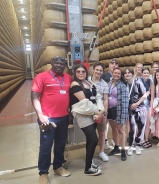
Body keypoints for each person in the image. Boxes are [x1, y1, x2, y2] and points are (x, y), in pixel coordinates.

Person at [31, 56, 72, 184]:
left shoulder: (68, 77)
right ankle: (43, 173)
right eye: (56, 62)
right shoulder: (41, 77)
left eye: (61, 63)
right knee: (46, 146)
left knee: (60, 144)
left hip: (63, 117)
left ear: (65, 65)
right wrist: (40, 114)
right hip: (47, 118)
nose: (59, 65)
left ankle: (58, 166)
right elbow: (34, 96)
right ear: (51, 64)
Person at [70, 64, 104, 175]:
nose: (81, 73)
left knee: (90, 140)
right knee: (94, 140)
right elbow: (85, 103)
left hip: (92, 112)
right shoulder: (75, 84)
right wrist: (98, 113)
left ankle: (89, 163)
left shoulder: (89, 83)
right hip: (82, 114)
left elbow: (98, 97)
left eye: (83, 71)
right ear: (75, 73)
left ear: (86, 72)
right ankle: (87, 168)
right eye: (78, 71)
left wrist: (101, 110)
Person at [88, 62, 109, 162]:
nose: (98, 72)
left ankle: (101, 152)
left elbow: (105, 99)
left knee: (102, 132)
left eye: (100, 70)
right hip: (88, 111)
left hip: (100, 111)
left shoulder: (104, 84)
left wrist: (105, 113)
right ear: (93, 70)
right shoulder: (86, 81)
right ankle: (90, 155)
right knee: (90, 134)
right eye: (97, 70)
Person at [107, 67, 129, 161]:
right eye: (115, 73)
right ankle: (116, 147)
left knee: (121, 131)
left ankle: (123, 150)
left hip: (118, 110)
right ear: (112, 73)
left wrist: (123, 115)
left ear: (121, 75)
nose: (116, 75)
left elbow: (125, 102)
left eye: (118, 73)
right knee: (114, 129)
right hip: (110, 109)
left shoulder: (122, 86)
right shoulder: (108, 83)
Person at [124, 68, 148, 155]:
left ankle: (138, 144)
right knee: (132, 128)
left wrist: (137, 103)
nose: (127, 74)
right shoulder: (125, 84)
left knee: (141, 127)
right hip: (131, 110)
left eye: (129, 73)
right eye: (125, 73)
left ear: (132, 74)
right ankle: (130, 145)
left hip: (140, 108)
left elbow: (145, 95)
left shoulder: (138, 83)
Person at [101, 58, 118, 149]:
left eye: (116, 64)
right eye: (112, 63)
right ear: (109, 65)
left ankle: (115, 141)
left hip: (114, 105)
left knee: (114, 125)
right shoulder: (104, 75)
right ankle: (105, 141)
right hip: (105, 103)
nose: (114, 65)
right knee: (105, 124)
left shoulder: (118, 75)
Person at [141, 68, 153, 148]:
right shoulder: (138, 82)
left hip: (148, 105)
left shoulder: (150, 82)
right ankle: (142, 140)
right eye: (144, 73)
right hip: (141, 105)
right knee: (142, 123)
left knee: (148, 123)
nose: (146, 74)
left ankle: (146, 139)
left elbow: (152, 93)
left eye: (147, 73)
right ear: (142, 74)